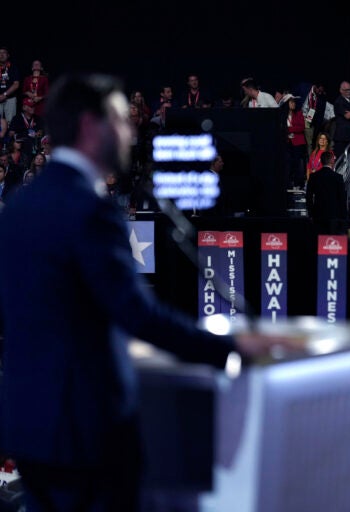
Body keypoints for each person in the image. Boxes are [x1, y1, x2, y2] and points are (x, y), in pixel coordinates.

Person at [0, 72, 304, 512]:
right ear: (90, 126)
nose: (131, 130)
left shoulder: (17, 209)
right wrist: (235, 346)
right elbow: (138, 315)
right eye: (122, 120)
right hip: (86, 430)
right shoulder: (89, 210)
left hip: (28, 430)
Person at [306, 150, 347, 234]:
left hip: (317, 215)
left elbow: (308, 196)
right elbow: (342, 198)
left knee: (318, 242)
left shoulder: (313, 176)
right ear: (332, 161)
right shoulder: (338, 177)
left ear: (321, 161)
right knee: (331, 242)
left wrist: (311, 213)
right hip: (334, 216)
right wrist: (343, 217)